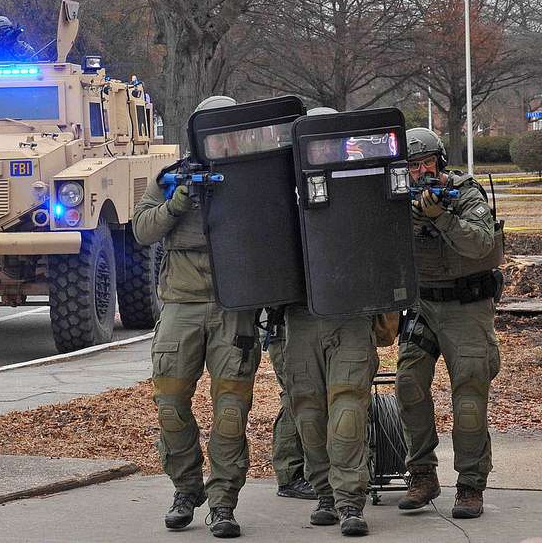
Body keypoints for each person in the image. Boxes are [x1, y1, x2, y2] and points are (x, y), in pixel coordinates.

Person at [132, 95, 261, 539]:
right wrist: (176, 204)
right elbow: (142, 229)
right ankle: (186, 489)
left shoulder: (254, 175)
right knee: (169, 405)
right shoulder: (171, 178)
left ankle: (223, 501)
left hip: (234, 307)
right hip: (182, 305)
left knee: (230, 412)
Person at [395, 128, 502, 519]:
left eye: (427, 163)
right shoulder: (398, 196)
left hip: (466, 306)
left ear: (439, 162)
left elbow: (480, 243)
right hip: (423, 304)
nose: (421, 172)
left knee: (470, 397)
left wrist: (441, 217)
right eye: (412, 165)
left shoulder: (465, 193)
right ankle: (421, 473)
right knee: (408, 384)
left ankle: (471, 484)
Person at [281, 106, 378, 537]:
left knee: (347, 413)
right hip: (301, 316)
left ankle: (349, 501)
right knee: (309, 413)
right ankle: (324, 492)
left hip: (349, 315)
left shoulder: (363, 184)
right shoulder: (280, 190)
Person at [268, 315, 316, 500]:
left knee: (304, 399)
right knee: (295, 399)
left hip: (300, 329)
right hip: (284, 331)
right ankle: (290, 475)